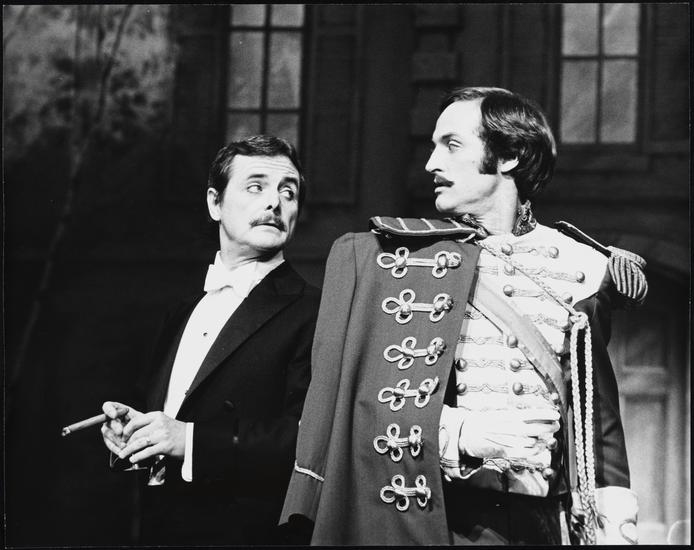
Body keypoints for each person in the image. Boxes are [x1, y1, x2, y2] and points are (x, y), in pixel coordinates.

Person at [280, 87, 647, 545]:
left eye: (452, 145)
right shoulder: (398, 264)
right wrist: (463, 435)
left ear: (510, 156)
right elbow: (361, 404)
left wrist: (613, 525)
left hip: (543, 526)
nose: (431, 164)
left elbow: (596, 419)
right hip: (440, 519)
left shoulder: (584, 269)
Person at [100, 135, 320, 545]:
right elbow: (172, 418)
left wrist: (188, 440)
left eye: (288, 192)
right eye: (255, 187)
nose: (274, 202)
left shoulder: (316, 310)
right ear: (214, 203)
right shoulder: (183, 310)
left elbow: (309, 440)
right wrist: (136, 435)